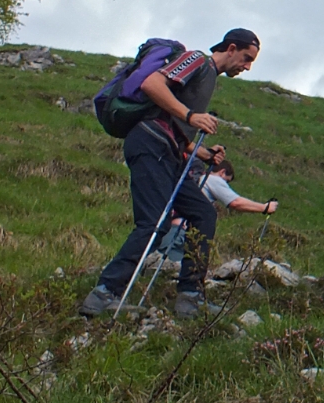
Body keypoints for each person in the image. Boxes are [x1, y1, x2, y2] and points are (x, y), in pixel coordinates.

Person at [79, 28, 261, 319]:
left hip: (169, 150)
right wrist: (191, 116)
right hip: (151, 144)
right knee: (154, 223)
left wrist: (202, 152)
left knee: (204, 213)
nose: (248, 66)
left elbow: (171, 122)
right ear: (230, 48)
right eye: (247, 57)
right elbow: (153, 84)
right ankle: (104, 293)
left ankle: (190, 296)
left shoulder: (208, 77)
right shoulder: (197, 61)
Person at [200, 161, 278, 215]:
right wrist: (265, 207)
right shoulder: (213, 179)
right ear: (222, 172)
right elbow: (236, 203)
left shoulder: (202, 178)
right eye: (226, 181)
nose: (225, 184)